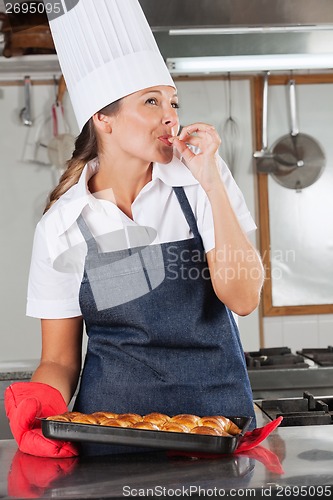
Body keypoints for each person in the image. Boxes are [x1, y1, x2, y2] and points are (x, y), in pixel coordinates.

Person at [4, 0, 264, 457]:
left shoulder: (202, 185)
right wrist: (38, 404)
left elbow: (243, 299)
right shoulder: (62, 225)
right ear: (102, 118)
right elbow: (60, 359)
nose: (171, 116)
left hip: (214, 430)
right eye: (151, 102)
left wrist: (212, 183)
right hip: (109, 438)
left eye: (173, 102)